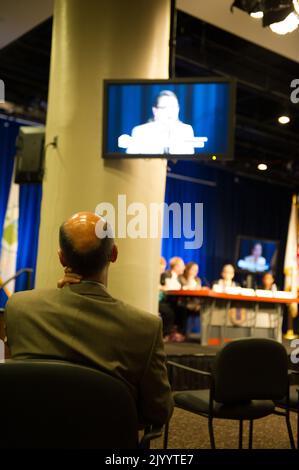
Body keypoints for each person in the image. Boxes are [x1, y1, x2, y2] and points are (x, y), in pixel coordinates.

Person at [4, 212, 173, 427]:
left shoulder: (20, 306)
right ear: (113, 253)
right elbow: (158, 411)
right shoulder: (146, 327)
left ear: (61, 258)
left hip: (26, 434)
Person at [123, 90, 195, 155]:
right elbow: (130, 163)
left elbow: (189, 161)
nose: (170, 112)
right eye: (164, 108)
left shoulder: (186, 130)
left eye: (173, 107)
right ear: (155, 111)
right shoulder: (140, 132)